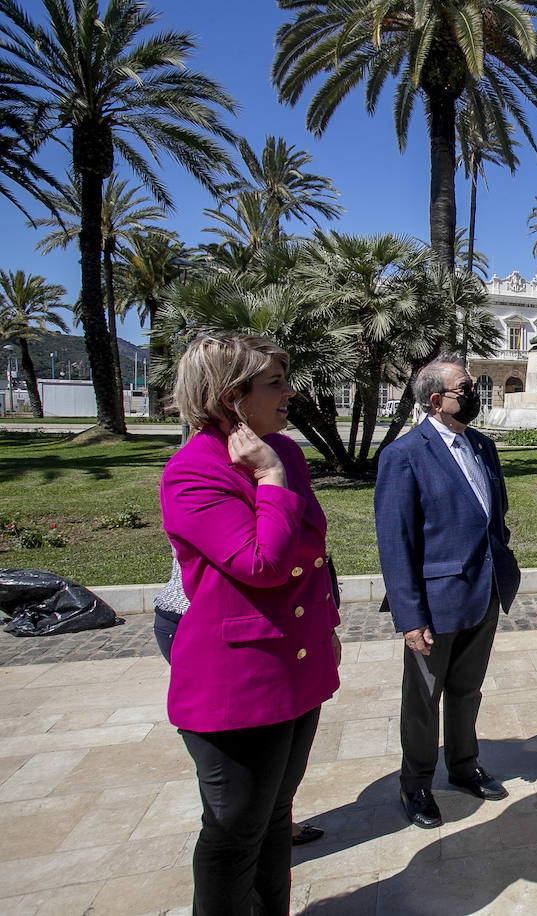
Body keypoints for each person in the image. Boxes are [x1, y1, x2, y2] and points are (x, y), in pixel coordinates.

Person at [160, 333, 341, 914]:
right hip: (239, 678)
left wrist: (326, 625)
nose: (291, 392)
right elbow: (261, 563)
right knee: (236, 829)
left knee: (275, 819)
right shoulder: (195, 470)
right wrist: (268, 482)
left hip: (295, 661)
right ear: (231, 398)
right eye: (275, 383)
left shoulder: (281, 451)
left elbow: (311, 551)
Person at [375, 354, 521, 829]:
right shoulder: (404, 455)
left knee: (467, 691)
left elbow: (490, 517)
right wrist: (409, 616)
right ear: (436, 401)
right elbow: (396, 543)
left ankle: (463, 765)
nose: (474, 393)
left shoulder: (482, 445)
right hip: (435, 604)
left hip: (485, 591)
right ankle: (415, 783)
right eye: (466, 388)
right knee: (422, 698)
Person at [153, 556, 325, 847]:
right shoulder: (209, 508)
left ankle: (276, 828)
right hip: (202, 625)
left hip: (274, 626)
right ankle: (248, 848)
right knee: (238, 789)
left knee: (278, 767)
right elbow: (262, 562)